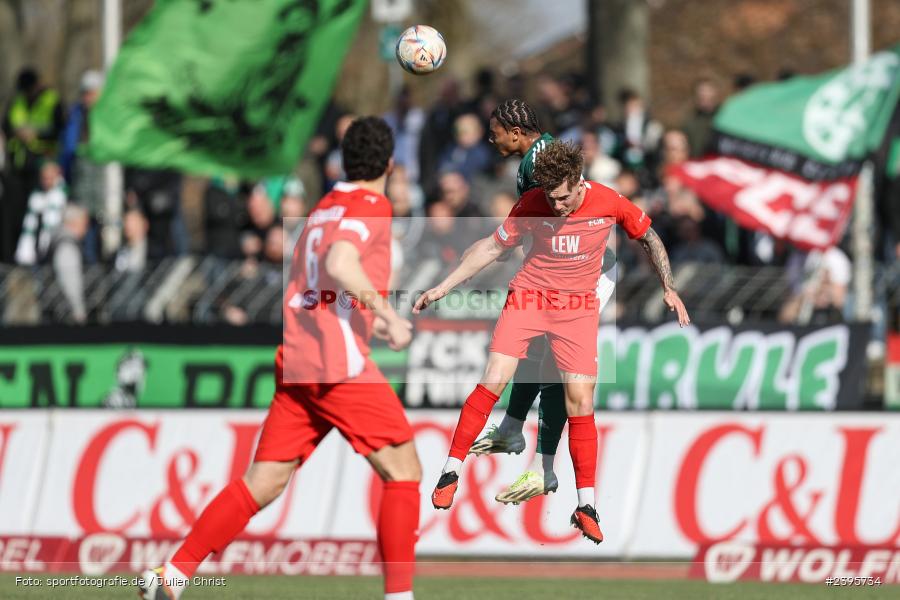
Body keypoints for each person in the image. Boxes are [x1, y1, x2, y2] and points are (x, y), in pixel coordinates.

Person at [139, 116, 421, 600]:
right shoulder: (373, 205)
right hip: (336, 365)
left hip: (299, 359)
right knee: (405, 471)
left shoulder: (323, 207)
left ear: (344, 161)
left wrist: (363, 316)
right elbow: (340, 263)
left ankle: (173, 575)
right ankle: (400, 598)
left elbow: (320, 277)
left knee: (263, 481)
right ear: (390, 165)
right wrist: (388, 316)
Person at [414, 141, 689, 544]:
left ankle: (586, 505)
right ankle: (450, 471)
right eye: (550, 198)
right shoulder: (532, 204)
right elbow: (491, 247)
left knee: (581, 399)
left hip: (577, 308)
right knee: (495, 376)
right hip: (529, 298)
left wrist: (669, 287)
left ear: (579, 182)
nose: (556, 206)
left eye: (563, 198)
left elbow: (650, 237)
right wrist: (443, 287)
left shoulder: (608, 201)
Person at [475, 99, 616, 506]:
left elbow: (564, 219)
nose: (491, 139)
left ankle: (543, 467)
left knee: (555, 362)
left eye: (495, 133)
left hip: (591, 276)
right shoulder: (535, 158)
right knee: (536, 350)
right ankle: (517, 433)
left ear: (515, 133)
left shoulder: (542, 163)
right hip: (563, 275)